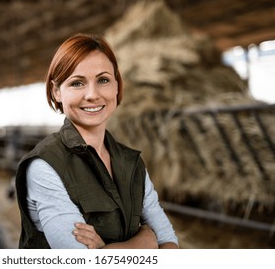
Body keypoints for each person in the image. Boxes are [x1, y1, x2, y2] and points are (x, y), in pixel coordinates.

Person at [15, 33, 179, 249]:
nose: (92, 95)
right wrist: (145, 241)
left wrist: (105, 250)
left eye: (103, 80)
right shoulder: (44, 165)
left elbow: (169, 244)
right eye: (77, 83)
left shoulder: (132, 163)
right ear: (56, 92)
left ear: (117, 86)